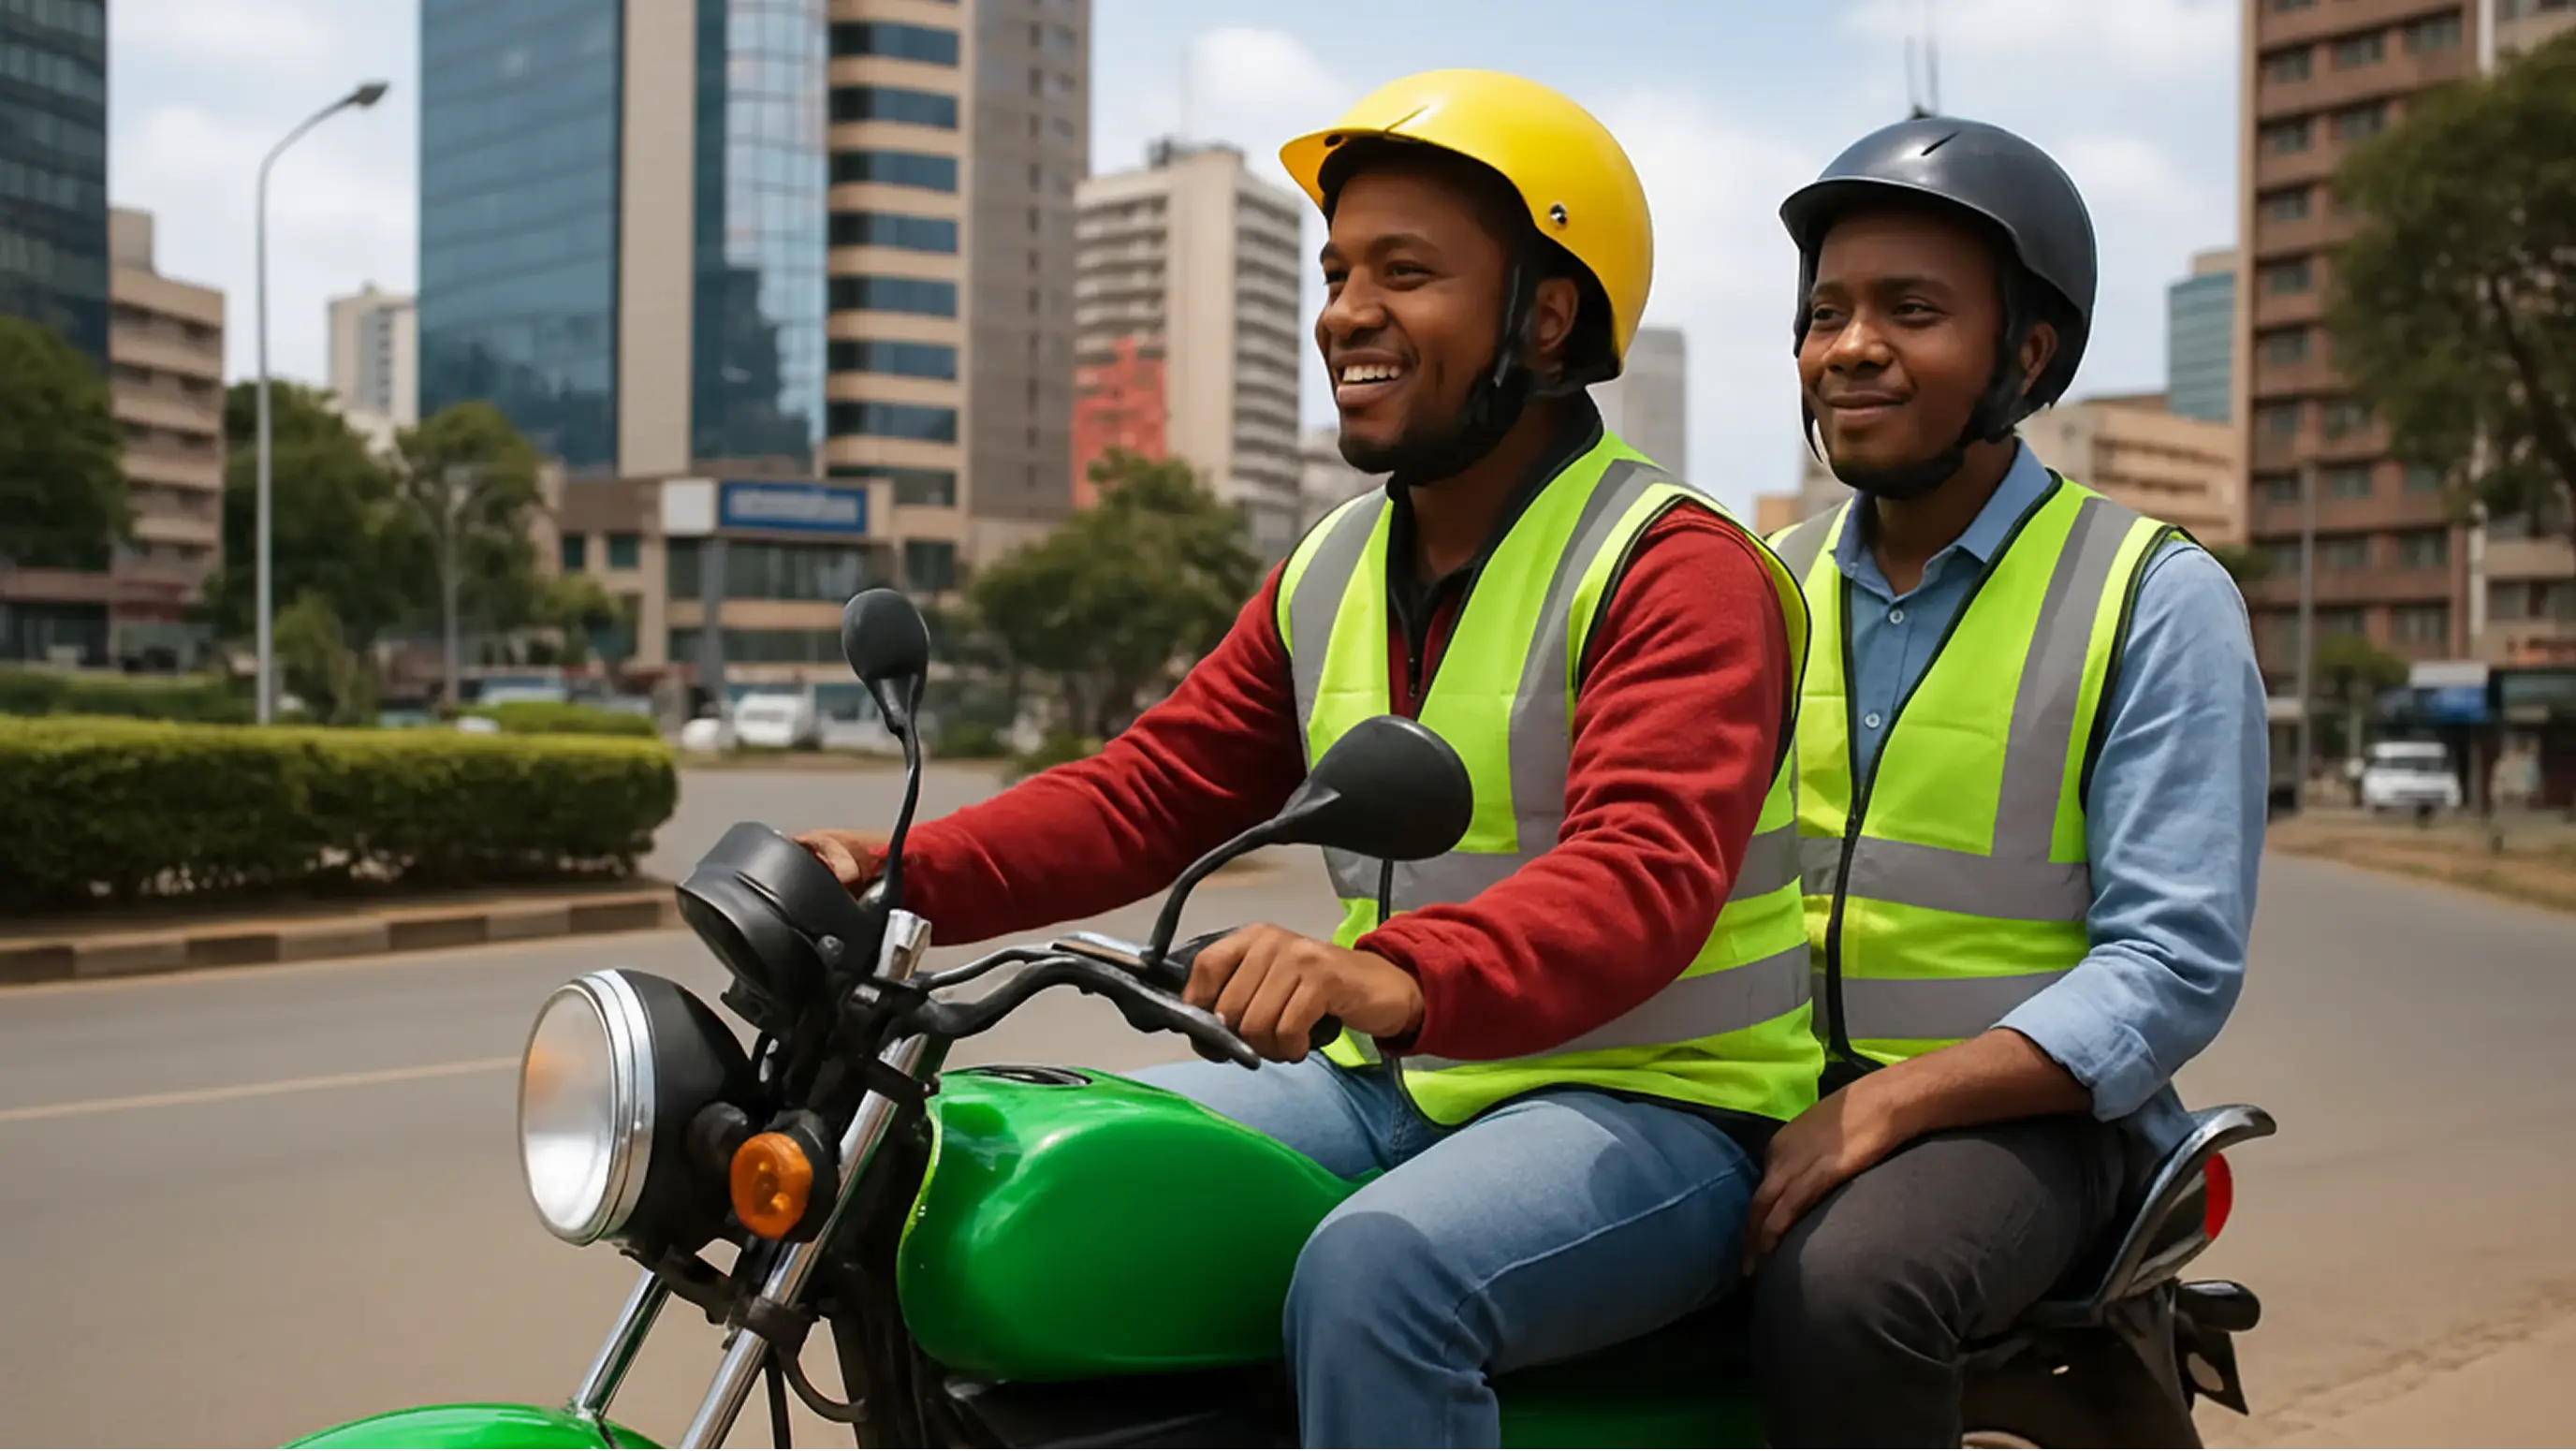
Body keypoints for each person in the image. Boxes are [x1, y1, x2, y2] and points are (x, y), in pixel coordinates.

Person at [799, 69, 1819, 1450]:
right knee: (1042, 1174)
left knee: (1381, 1274)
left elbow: (1642, 876)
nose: (1345, 310)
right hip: (1393, 1076)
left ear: (1547, 312)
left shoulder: (1677, 568)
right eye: (1338, 272)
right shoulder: (1334, 564)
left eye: (1406, 272)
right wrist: (899, 873)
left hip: (1663, 1111)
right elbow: (1151, 790)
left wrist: (1389, 970)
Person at [1746, 117, 2269, 1451]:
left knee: (1850, 1293)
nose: (1850, 346)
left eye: (1910, 310)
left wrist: (1893, 1101)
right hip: (1764, 1084)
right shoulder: (1760, 587)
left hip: (2034, 1122)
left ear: (2025, 355)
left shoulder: (2151, 594)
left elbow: (2168, 965)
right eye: (1825, 313)